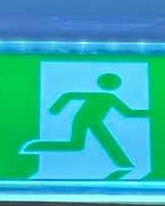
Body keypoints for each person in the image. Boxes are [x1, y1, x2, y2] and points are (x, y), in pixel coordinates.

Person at [19, 73, 148, 179]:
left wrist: (151, 112)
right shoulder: (105, 96)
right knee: (76, 145)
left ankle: (124, 165)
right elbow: (69, 95)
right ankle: (34, 146)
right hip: (83, 120)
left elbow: (127, 112)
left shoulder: (110, 97)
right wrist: (56, 108)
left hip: (95, 121)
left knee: (76, 145)